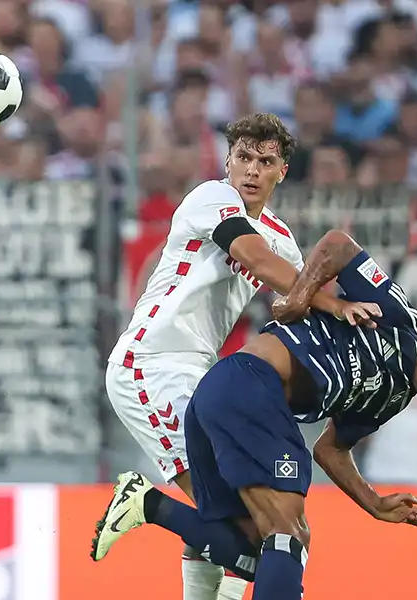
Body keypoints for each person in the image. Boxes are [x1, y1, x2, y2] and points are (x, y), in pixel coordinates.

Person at [93, 229, 417, 599]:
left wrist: (374, 502)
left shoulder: (392, 396)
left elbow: (332, 450)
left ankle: (146, 504)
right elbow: (338, 244)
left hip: (227, 402)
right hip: (249, 384)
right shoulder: (403, 321)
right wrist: (301, 295)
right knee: (291, 534)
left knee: (252, 544)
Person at [104, 113, 379, 600]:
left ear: (282, 171)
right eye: (244, 157)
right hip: (150, 365)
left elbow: (294, 304)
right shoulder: (212, 199)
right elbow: (257, 260)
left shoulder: (282, 238)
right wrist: (331, 300)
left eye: (265, 161)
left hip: (203, 380)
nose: (251, 170)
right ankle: (145, 503)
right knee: (251, 531)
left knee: (250, 527)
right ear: (228, 161)